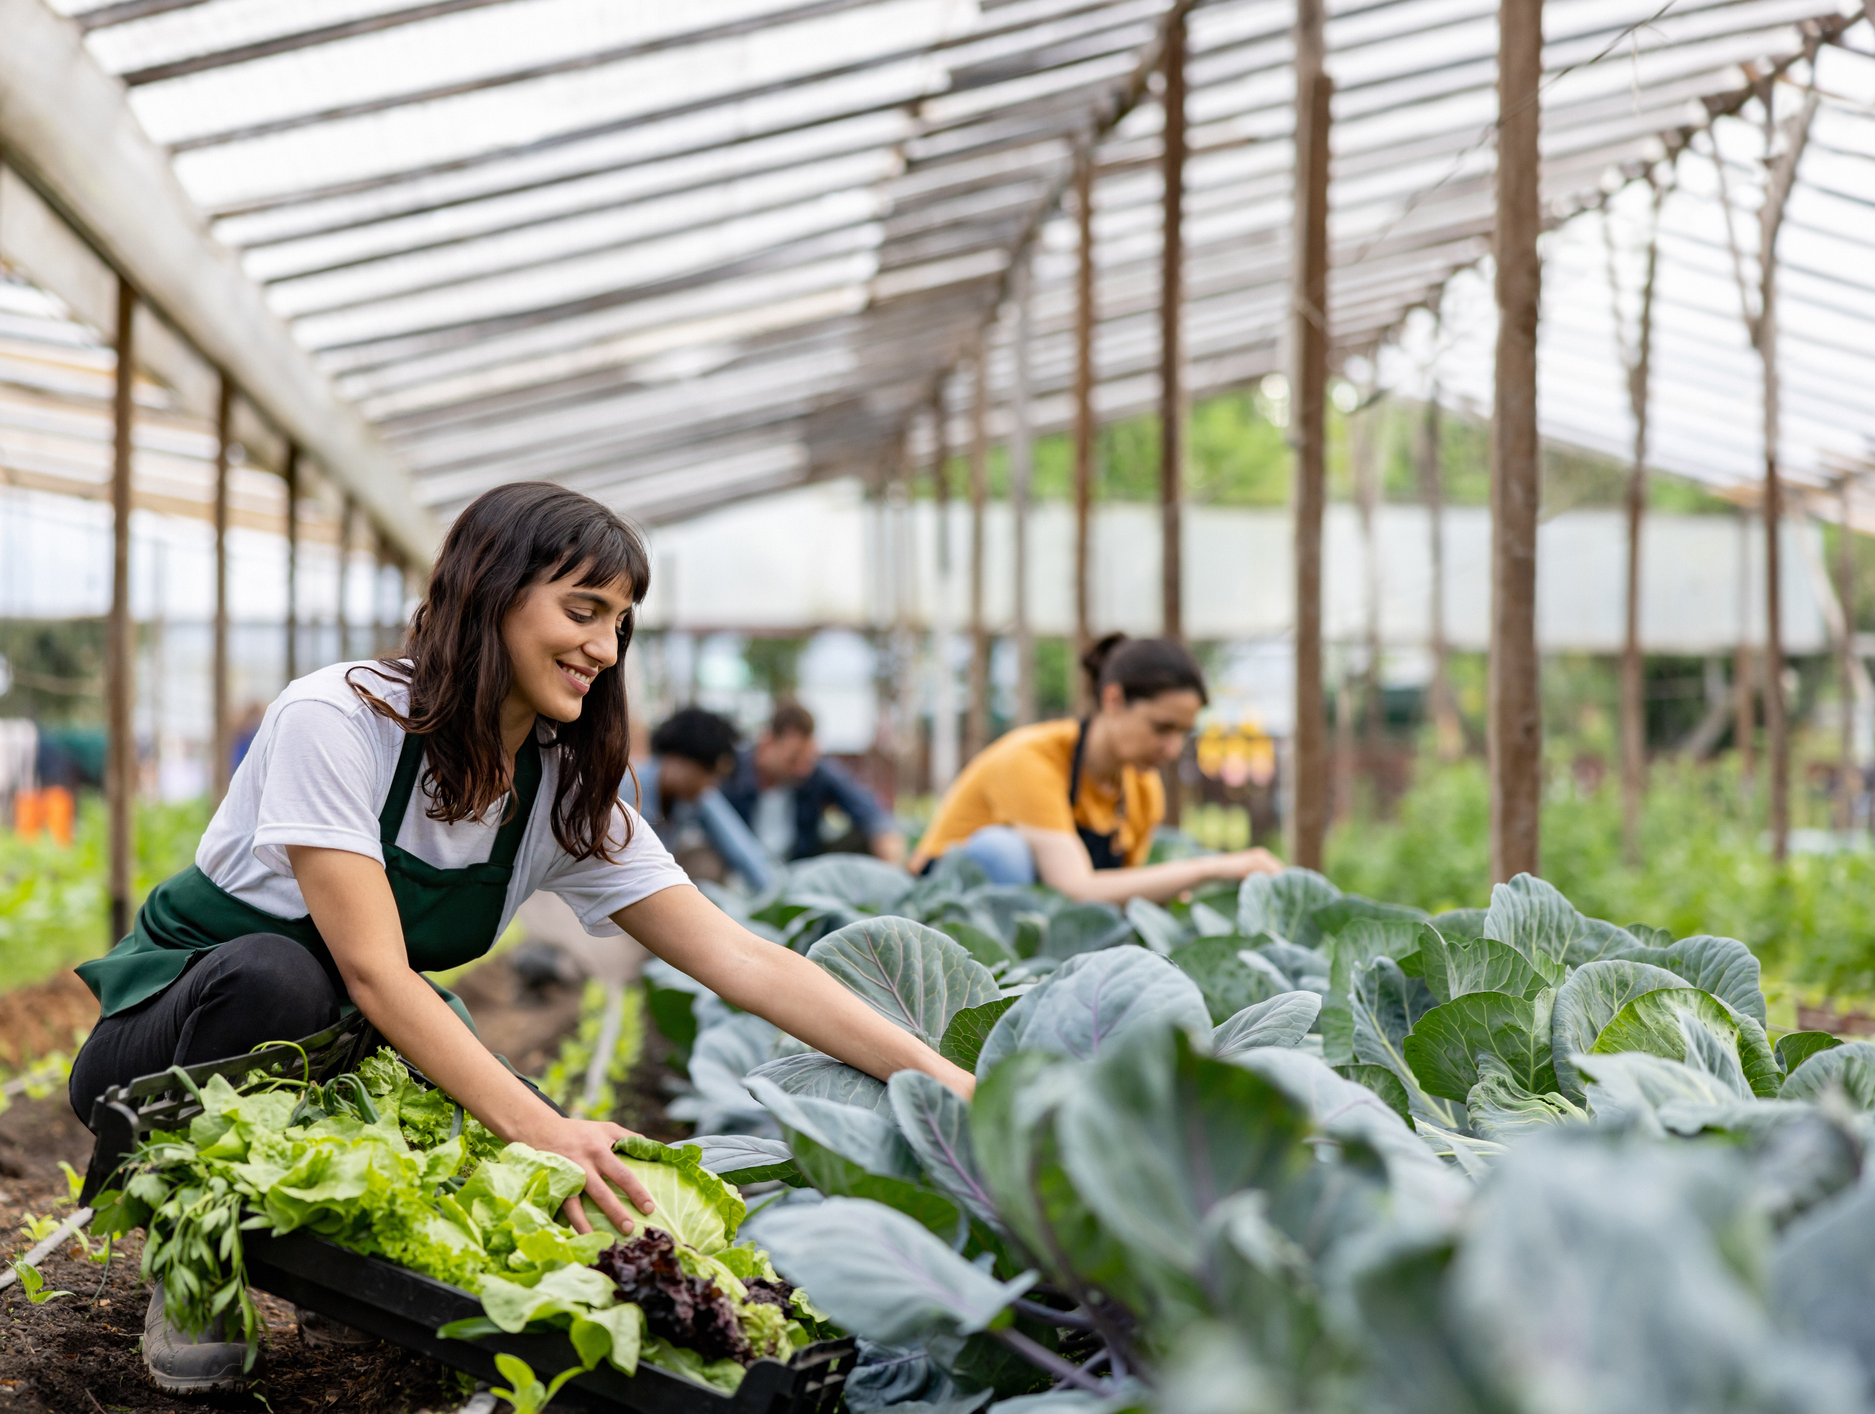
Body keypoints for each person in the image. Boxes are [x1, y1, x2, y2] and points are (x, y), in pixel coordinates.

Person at [67, 482, 973, 1391]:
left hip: (345, 1058)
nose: (603, 648)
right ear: (490, 592)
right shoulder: (338, 719)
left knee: (520, 1168)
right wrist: (547, 1128)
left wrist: (950, 1084)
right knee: (281, 978)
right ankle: (194, 1252)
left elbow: (740, 959)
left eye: (620, 623)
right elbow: (378, 976)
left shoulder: (558, 788)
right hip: (166, 1055)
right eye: (582, 612)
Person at [908, 633, 1283, 901]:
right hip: (939, 912)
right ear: (1113, 699)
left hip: (1036, 922)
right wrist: (1210, 868)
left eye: (1183, 733)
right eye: (1161, 728)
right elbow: (1076, 889)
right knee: (1002, 851)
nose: (1171, 749)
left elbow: (1119, 896)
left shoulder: (1142, 788)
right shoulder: (1029, 759)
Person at [720, 701, 906, 865]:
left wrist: (891, 855)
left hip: (800, 871)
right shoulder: (729, 771)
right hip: (738, 871)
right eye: (793, 759)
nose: (803, 769)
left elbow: (871, 813)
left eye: (808, 759)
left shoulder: (816, 773)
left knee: (866, 837)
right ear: (767, 743)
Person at [622, 706, 778, 892]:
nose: (711, 784)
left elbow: (739, 845)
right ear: (679, 757)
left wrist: (774, 894)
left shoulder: (695, 797)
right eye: (709, 774)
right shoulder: (623, 790)